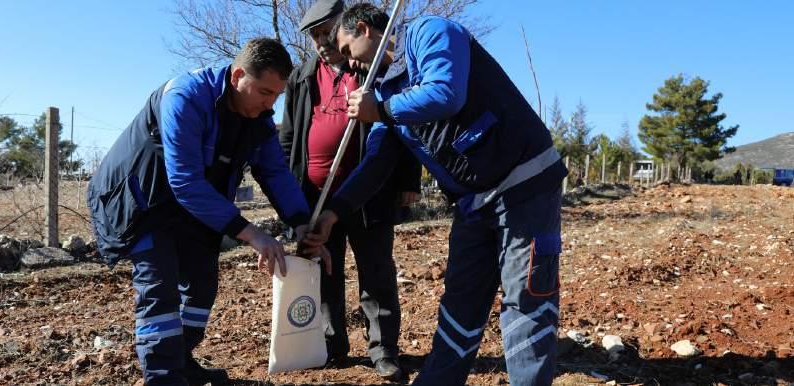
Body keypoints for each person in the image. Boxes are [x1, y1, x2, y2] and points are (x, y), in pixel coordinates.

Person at [305, 4, 569, 385]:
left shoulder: (430, 33)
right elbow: (377, 162)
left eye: (348, 51)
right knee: (460, 301)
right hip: (474, 203)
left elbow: (445, 92)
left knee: (526, 298)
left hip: (523, 185)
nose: (350, 66)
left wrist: (380, 109)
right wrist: (334, 212)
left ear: (364, 29)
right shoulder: (385, 89)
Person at [88, 38, 328, 386]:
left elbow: (274, 171)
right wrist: (251, 233)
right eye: (264, 92)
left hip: (195, 204)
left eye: (277, 95)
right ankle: (164, 377)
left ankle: (181, 362)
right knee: (160, 289)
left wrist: (301, 223)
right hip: (142, 201)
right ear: (237, 76)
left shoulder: (258, 117)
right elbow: (185, 181)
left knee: (201, 286)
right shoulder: (185, 97)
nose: (269, 105)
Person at [278, 0, 421, 381]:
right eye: (314, 37)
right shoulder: (302, 76)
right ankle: (330, 344)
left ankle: (383, 349)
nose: (321, 42)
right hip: (313, 195)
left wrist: (409, 178)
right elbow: (289, 134)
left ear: (344, 26)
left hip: (367, 192)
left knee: (376, 271)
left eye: (326, 33)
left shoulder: (372, 67)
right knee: (324, 271)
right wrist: (291, 192)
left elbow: (399, 121)